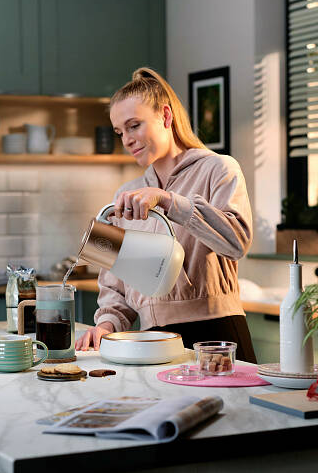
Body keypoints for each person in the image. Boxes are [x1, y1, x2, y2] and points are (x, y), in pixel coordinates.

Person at [75, 67, 256, 363]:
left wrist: (170, 201)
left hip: (217, 334)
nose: (127, 140)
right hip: (153, 339)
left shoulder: (219, 168)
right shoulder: (126, 193)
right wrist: (106, 323)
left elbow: (237, 243)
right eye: (120, 132)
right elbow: (113, 283)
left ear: (166, 117)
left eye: (134, 126)